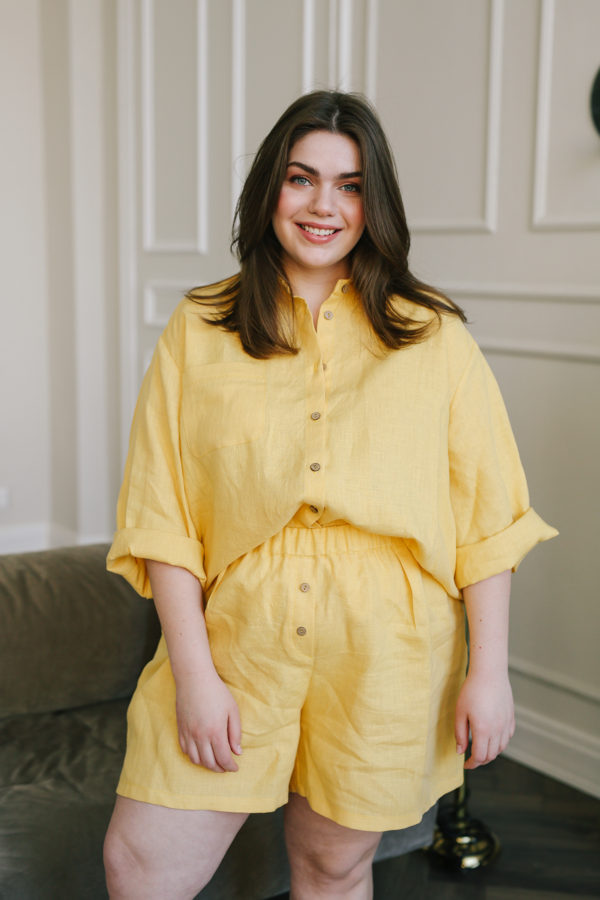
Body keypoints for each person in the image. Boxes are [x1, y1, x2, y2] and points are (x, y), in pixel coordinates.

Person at [103, 90, 557, 899]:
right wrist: (196, 675)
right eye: (302, 178)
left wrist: (490, 672)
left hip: (390, 647)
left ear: (374, 201)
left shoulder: (434, 335)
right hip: (239, 637)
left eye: (349, 185)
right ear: (268, 189)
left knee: (334, 867)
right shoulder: (199, 328)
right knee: (141, 867)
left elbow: (487, 520)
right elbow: (161, 518)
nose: (323, 206)